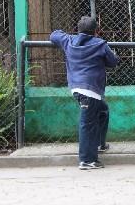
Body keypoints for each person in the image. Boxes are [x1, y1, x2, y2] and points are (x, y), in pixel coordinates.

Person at [50, 16, 119, 170]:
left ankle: (100, 144)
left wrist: (69, 35)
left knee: (103, 111)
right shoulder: (100, 44)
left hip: (77, 88)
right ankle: (87, 160)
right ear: (96, 31)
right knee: (87, 124)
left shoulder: (68, 40)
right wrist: (114, 55)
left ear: (78, 30)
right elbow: (113, 62)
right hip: (91, 91)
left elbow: (54, 35)